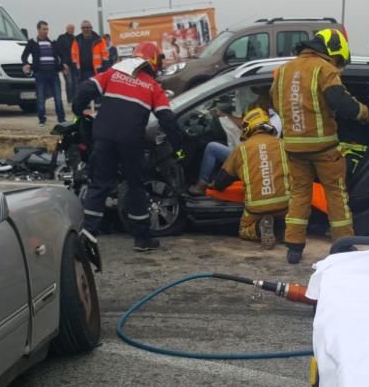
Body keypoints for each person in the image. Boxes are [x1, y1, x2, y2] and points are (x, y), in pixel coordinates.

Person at [270, 28, 369, 264]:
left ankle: (294, 247)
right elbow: (342, 103)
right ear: (333, 51)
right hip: (324, 147)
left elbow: (276, 101)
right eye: (338, 61)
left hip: (294, 147)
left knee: (299, 195)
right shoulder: (324, 69)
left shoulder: (284, 71)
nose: (337, 65)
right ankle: (343, 245)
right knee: (336, 194)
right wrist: (364, 113)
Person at [73, 42, 183, 252]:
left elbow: (85, 89)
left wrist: (79, 113)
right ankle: (142, 238)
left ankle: (88, 234)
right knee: (136, 186)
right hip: (131, 141)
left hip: (103, 137)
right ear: (152, 61)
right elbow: (168, 120)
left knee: (99, 184)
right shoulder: (153, 87)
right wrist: (178, 148)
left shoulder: (113, 73)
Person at [212, 107, 290, 250]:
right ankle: (281, 228)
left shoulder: (241, 149)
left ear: (248, 128)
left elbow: (220, 182)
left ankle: (259, 229)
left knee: (244, 229)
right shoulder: (283, 145)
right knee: (287, 218)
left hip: (256, 207)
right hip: (284, 204)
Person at [189, 101, 242, 195]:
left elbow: (244, 124)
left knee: (212, 147)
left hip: (244, 156)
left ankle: (202, 184)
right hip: (243, 150)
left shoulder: (259, 116)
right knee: (216, 143)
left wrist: (225, 114)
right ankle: (213, 178)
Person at [21, 20, 66, 126]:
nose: (46, 31)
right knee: (41, 97)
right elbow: (24, 56)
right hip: (40, 74)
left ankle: (61, 119)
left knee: (58, 97)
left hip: (53, 73)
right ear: (38, 30)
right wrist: (26, 64)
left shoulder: (53, 43)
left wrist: (63, 65)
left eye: (47, 29)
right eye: (44, 29)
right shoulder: (33, 43)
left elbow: (62, 55)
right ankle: (42, 120)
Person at [56, 23, 77, 103]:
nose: (72, 30)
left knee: (75, 83)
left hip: (74, 65)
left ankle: (75, 99)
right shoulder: (61, 38)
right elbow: (58, 51)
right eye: (71, 28)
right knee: (69, 83)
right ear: (67, 29)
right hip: (65, 65)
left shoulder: (75, 39)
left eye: (73, 29)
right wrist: (62, 63)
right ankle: (70, 100)